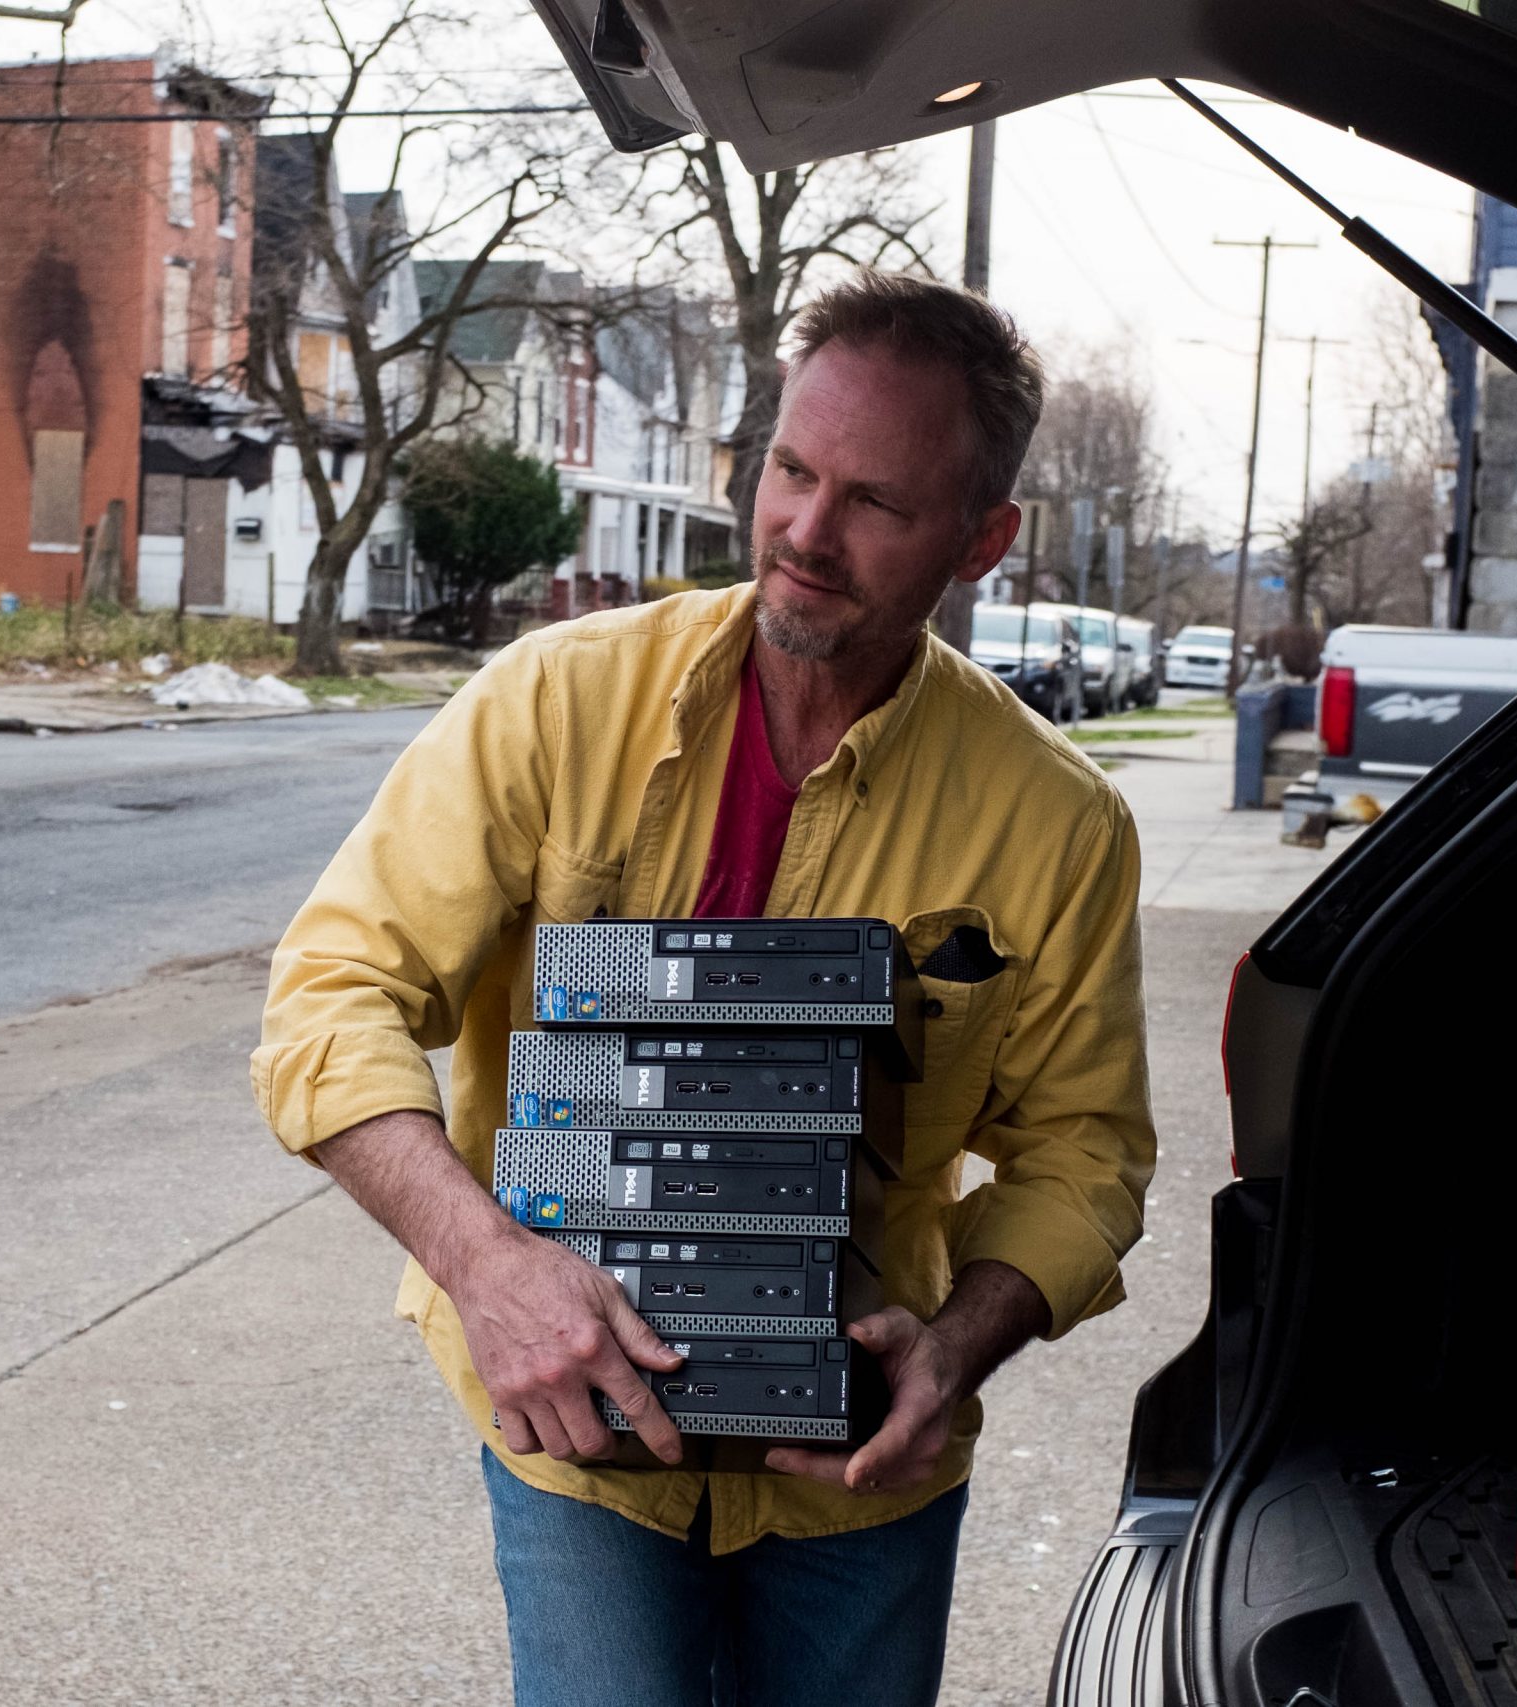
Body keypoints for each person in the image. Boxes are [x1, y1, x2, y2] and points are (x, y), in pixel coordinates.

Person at [252, 271, 1155, 1707]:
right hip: (578, 1431)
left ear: (984, 540)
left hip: (860, 1467)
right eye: (792, 471)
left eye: (876, 502)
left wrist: (959, 1345)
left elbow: (1087, 1150)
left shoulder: (1056, 820)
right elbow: (330, 995)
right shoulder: (556, 701)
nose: (806, 530)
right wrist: (486, 1266)